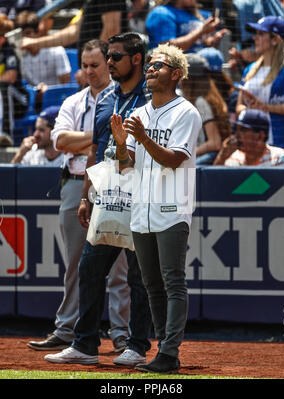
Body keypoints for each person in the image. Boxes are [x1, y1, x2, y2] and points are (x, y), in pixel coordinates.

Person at [44, 32, 152, 366]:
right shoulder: (106, 99)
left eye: (115, 57)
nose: (109, 64)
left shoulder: (151, 100)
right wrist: (85, 196)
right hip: (106, 195)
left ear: (136, 58)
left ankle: (136, 344)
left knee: (137, 275)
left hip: (141, 194)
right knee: (90, 268)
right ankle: (85, 344)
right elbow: (95, 151)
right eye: (108, 58)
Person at [27, 39, 131, 353]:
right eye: (84, 66)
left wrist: (85, 143)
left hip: (115, 185)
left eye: (95, 65)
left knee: (118, 265)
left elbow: (123, 144)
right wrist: (100, 139)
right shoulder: (73, 101)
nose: (89, 71)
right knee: (75, 262)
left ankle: (120, 333)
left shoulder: (125, 100)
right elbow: (59, 141)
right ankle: (67, 329)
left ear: (109, 63)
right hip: (75, 183)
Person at [110, 43, 202, 373]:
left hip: (172, 207)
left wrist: (145, 139)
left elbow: (175, 160)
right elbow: (126, 168)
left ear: (175, 74)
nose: (150, 69)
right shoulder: (139, 113)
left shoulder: (186, 112)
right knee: (151, 286)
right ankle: (165, 349)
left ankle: (169, 350)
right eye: (149, 65)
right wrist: (122, 145)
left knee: (172, 281)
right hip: (141, 210)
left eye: (158, 65)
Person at [236, 16, 284, 151]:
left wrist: (265, 107)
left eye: (261, 34)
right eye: (255, 34)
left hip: (281, 146)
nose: (255, 38)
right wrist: (250, 111)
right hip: (251, 148)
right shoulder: (249, 69)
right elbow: (239, 106)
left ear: (275, 39)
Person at [20, 0, 128, 64]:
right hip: (94, 72)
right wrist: (33, 43)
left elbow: (112, 31)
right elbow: (74, 32)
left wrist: (93, 66)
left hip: (106, 73)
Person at [181, 53, 231, 165]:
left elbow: (215, 142)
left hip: (209, 156)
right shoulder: (205, 95)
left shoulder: (201, 101)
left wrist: (187, 154)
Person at [15, 10, 71, 112]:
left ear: (38, 32)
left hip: (57, 102)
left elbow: (65, 84)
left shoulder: (56, 50)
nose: (24, 38)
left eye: (28, 33)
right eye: (22, 35)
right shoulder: (18, 56)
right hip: (31, 104)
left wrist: (48, 92)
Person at [0, 14, 29, 144]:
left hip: (19, 100)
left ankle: (5, 135)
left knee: (3, 87)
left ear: (1, 39)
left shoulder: (9, 50)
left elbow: (11, 76)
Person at [145, 0, 228, 53]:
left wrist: (211, 41)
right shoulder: (161, 13)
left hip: (200, 66)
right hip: (177, 67)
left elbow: (199, 43)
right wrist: (201, 31)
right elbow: (167, 47)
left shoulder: (193, 13)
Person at [213, 109, 284, 166]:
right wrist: (222, 158)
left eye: (243, 130)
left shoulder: (279, 158)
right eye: (236, 130)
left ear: (260, 136)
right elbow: (213, 183)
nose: (237, 136)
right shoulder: (234, 159)